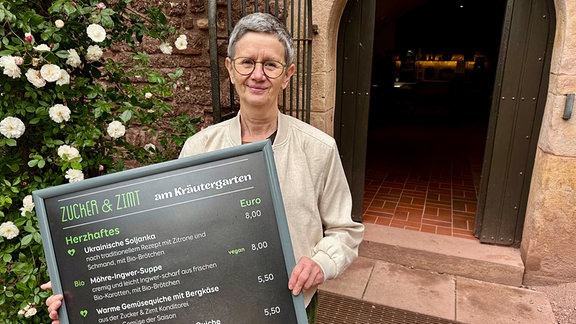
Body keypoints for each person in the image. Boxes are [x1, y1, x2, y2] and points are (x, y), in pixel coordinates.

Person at [43, 12, 364, 323]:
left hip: (292, 305)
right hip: (214, 306)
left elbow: (344, 231)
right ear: (230, 67)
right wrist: (79, 298)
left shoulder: (319, 148)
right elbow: (169, 237)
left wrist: (321, 262)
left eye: (271, 65)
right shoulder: (199, 148)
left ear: (288, 75)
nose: (258, 74)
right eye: (247, 62)